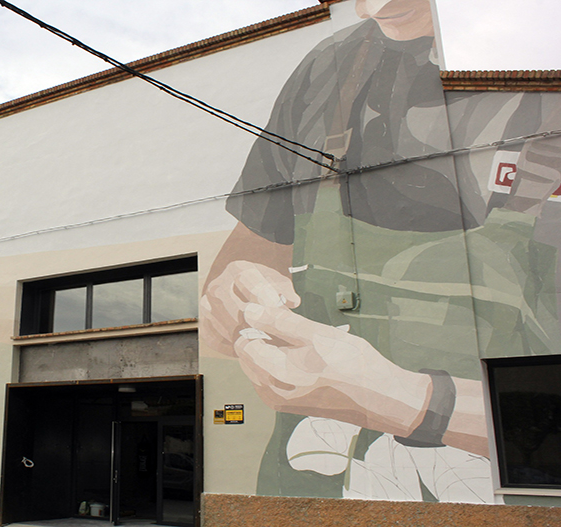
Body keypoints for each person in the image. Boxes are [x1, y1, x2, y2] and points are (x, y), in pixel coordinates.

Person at [201, 0, 561, 500]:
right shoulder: (328, 67)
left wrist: (412, 403)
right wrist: (237, 305)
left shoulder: (544, 54)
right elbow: (234, 277)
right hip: (307, 498)